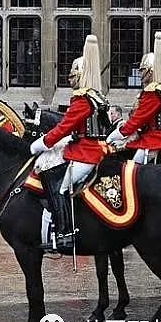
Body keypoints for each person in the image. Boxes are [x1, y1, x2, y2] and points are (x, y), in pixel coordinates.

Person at [30, 35, 109, 250]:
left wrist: (42, 143)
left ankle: (65, 234)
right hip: (86, 147)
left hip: (86, 153)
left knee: (61, 187)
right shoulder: (95, 97)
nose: (70, 79)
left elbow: (64, 126)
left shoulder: (83, 99)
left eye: (73, 76)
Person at [107, 32, 161, 164]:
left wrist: (113, 136)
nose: (140, 73)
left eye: (142, 70)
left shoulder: (153, 92)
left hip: (157, 139)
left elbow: (137, 120)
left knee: (133, 168)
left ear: (150, 72)